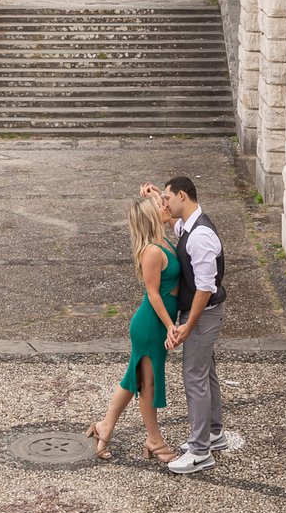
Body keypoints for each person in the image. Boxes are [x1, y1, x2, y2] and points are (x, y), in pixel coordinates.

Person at [85, 195, 182, 462]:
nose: (165, 206)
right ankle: (153, 439)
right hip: (151, 324)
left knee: (133, 380)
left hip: (156, 323)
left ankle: (104, 427)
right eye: (159, 205)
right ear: (151, 216)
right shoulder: (152, 250)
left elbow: (171, 208)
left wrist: (151, 193)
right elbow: (153, 294)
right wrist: (170, 326)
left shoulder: (163, 240)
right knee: (147, 383)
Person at [144, 175, 228, 474]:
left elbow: (204, 288)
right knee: (207, 374)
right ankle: (214, 432)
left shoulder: (201, 236)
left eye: (167, 198)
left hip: (203, 316)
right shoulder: (190, 225)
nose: (165, 204)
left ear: (182, 195)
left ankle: (200, 451)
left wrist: (187, 327)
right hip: (205, 315)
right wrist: (155, 195)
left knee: (194, 379)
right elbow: (172, 224)